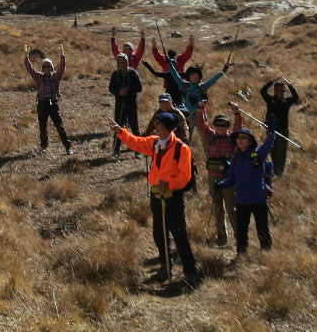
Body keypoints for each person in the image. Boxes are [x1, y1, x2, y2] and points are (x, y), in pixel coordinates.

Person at [111, 110, 199, 285]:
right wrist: (121, 132)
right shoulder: (155, 143)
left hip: (173, 195)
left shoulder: (182, 148)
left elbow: (185, 176)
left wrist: (169, 184)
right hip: (157, 194)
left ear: (167, 127)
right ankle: (166, 267)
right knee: (159, 232)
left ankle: (191, 271)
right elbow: (136, 143)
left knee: (179, 233)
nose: (155, 127)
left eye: (158, 124)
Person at [217, 122, 277, 255]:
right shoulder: (235, 159)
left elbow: (268, 144)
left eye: (243, 138)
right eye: (238, 138)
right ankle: (241, 255)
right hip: (241, 201)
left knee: (262, 228)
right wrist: (222, 184)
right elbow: (231, 178)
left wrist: (271, 132)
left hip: (258, 199)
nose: (240, 140)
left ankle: (266, 254)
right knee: (242, 230)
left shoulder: (258, 155)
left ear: (250, 142)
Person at [193, 107, 244, 245]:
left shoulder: (232, 139)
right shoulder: (210, 136)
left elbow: (239, 128)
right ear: (215, 125)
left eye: (225, 125)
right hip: (213, 177)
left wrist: (237, 113)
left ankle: (240, 237)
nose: (221, 128)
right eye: (219, 125)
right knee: (217, 207)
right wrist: (200, 110)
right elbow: (202, 124)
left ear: (228, 126)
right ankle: (221, 237)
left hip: (228, 179)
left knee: (231, 208)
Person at [24, 46, 72, 155]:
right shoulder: (38, 77)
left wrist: (62, 56)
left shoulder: (55, 77)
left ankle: (68, 146)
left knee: (59, 126)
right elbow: (30, 69)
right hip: (42, 104)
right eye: (45, 66)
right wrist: (26, 58)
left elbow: (62, 69)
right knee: (42, 126)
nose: (47, 68)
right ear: (42, 68)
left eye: (49, 66)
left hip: (53, 103)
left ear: (51, 67)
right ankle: (44, 146)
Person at [259, 77, 302, 176]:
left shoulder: (287, 102)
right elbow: (262, 91)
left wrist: (289, 84)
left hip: (283, 131)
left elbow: (296, 96)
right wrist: (272, 81)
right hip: (271, 130)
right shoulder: (270, 100)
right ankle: (274, 170)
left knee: (281, 152)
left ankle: (280, 172)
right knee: (273, 151)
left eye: (282, 90)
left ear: (284, 91)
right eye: (277, 89)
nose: (279, 92)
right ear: (274, 90)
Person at [108, 53, 143, 156]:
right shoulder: (115, 74)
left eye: (124, 62)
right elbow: (111, 88)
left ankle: (138, 150)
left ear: (127, 62)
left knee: (134, 127)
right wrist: (119, 92)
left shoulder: (133, 73)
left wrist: (128, 90)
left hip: (131, 104)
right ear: (117, 63)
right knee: (118, 126)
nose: (122, 65)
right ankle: (116, 149)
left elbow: (139, 87)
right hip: (119, 104)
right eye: (120, 63)